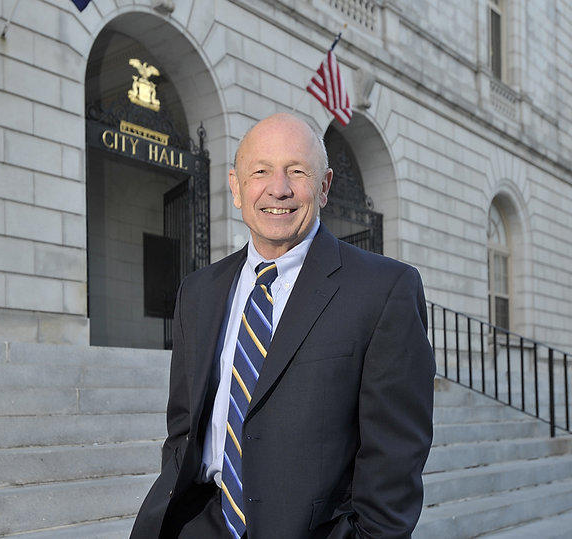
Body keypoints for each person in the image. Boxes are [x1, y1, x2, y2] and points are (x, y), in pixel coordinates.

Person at [130, 112, 435, 538]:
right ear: (236, 187)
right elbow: (183, 429)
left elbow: (396, 458)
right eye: (260, 171)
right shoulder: (198, 292)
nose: (279, 188)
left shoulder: (385, 290)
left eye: (297, 171)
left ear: (324, 186)